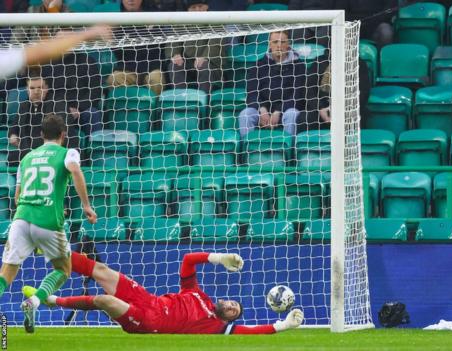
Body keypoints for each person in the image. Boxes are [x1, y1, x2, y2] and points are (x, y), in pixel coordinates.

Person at [24, 251, 304, 334]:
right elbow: (187, 260)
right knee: (100, 269)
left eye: (234, 311)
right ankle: (51, 249)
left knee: (104, 300)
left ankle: (52, 300)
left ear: (229, 319)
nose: (231, 307)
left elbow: (250, 331)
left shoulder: (215, 326)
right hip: (148, 299)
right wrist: (219, 258)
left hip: (148, 321)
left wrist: (283, 325)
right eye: (233, 303)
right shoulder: (197, 294)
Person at [0, 114, 97, 333]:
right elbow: (75, 170)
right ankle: (33, 302)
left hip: (21, 218)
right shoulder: (68, 153)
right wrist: (86, 206)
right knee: (63, 269)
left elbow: (17, 197)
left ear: (41, 135)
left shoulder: (26, 158)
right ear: (64, 135)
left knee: (6, 272)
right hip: (48, 221)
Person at [238, 30, 307, 137]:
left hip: (286, 110)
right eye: (275, 42)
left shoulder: (299, 66)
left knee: (292, 114)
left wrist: (278, 111)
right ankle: (247, 149)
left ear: (288, 44)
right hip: (262, 110)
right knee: (245, 114)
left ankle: (289, 149)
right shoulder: (258, 65)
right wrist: (262, 110)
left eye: (283, 42)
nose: (279, 46)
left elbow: (297, 95)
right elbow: (252, 93)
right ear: (269, 44)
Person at [8, 75, 81, 167]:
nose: (36, 91)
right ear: (27, 90)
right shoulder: (24, 106)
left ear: (46, 89)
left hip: (50, 152)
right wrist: (13, 134)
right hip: (28, 153)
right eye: (32, 88)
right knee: (11, 158)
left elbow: (64, 131)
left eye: (40, 87)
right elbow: (14, 126)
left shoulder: (58, 105)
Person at [0, 25, 111, 81]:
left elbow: (94, 92)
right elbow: (39, 52)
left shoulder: (87, 62)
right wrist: (88, 34)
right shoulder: (48, 65)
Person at [166, 0, 224, 94]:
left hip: (211, 65)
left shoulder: (216, 21)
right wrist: (175, 55)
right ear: (188, 10)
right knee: (174, 65)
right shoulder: (179, 23)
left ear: (206, 7)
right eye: (193, 7)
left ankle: (203, 102)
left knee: (205, 66)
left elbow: (215, 44)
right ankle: (181, 99)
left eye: (200, 6)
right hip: (187, 64)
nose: (198, 10)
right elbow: (173, 43)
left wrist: (205, 57)